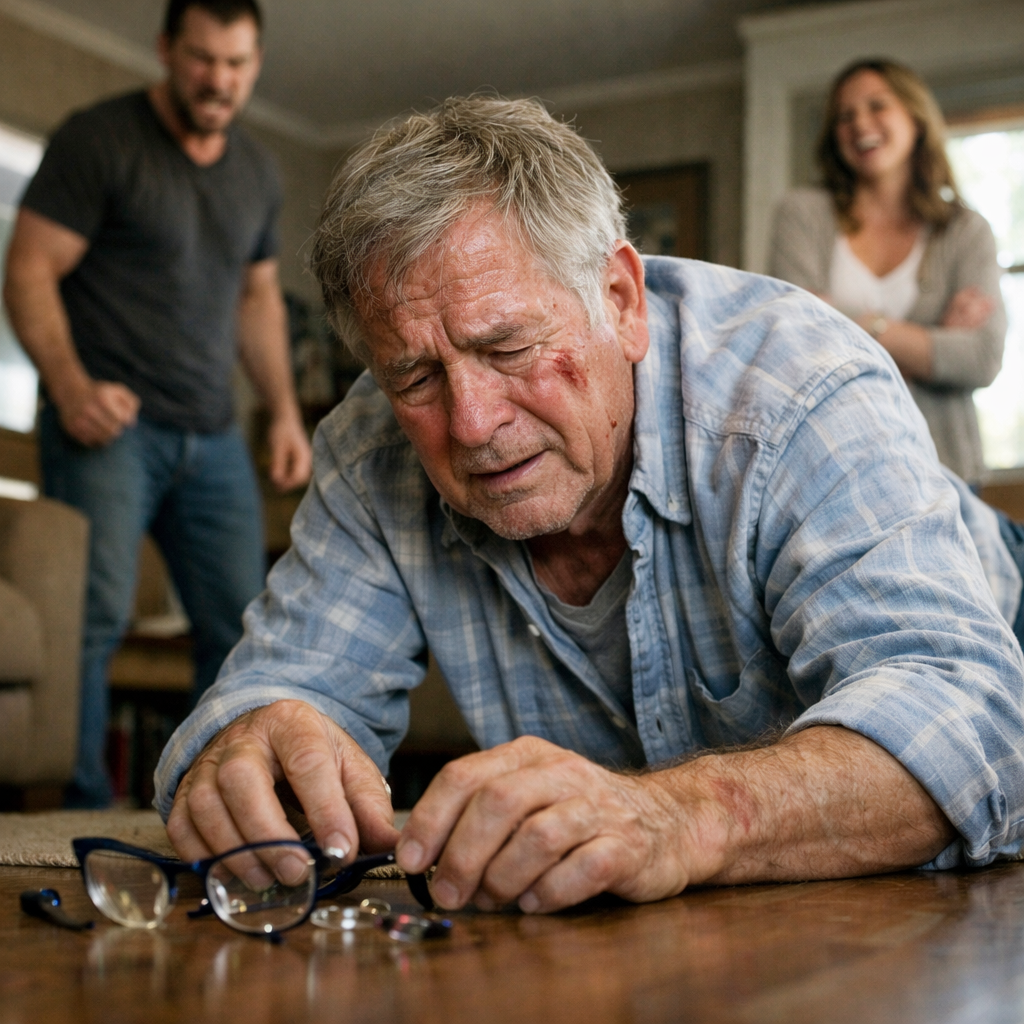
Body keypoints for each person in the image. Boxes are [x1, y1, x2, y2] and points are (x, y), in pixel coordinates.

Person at [155, 97, 1024, 916]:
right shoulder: (370, 444)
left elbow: (973, 722)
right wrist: (254, 745)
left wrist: (684, 816)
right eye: (417, 377)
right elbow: (272, 695)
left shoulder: (799, 385)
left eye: (510, 347)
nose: (472, 423)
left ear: (620, 302)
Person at [2, 0, 312, 809]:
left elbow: (257, 300)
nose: (221, 80)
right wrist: (69, 387)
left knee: (243, 631)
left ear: (257, 64)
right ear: (168, 51)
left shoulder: (257, 174)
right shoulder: (99, 139)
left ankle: (211, 805)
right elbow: (29, 268)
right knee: (90, 620)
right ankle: (73, 812)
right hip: (111, 429)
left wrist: (281, 409)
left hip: (211, 437)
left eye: (238, 64)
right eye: (204, 59)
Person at [769, 58, 1006, 490]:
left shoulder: (966, 231)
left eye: (877, 106)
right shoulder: (801, 214)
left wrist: (851, 324)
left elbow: (982, 358)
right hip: (832, 466)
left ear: (916, 119)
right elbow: (795, 341)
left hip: (946, 471)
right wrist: (930, 342)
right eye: (845, 116)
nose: (860, 124)